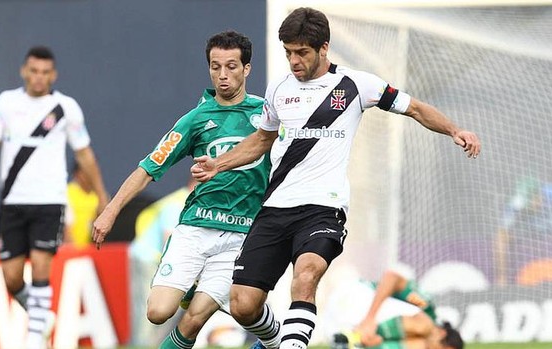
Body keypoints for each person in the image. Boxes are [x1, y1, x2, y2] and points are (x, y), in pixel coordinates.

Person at [191, 7, 481, 349]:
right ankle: (274, 341)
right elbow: (262, 140)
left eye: (302, 53)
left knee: (307, 276)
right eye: (288, 53)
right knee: (243, 304)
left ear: (323, 48)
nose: (294, 61)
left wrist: (454, 129)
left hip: (323, 208)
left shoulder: (358, 85)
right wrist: (219, 164)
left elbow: (415, 108)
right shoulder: (279, 89)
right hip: (276, 207)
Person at [91, 31, 271, 349]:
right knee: (158, 312)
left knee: (193, 321)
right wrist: (111, 209)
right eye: (216, 67)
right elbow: (149, 167)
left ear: (247, 69)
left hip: (239, 235)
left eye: (231, 66)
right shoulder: (194, 120)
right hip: (194, 229)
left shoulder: (267, 116)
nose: (223, 75)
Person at [0, 46, 109, 349]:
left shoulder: (65, 108)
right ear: (24, 71)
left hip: (49, 202)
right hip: (12, 203)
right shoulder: (7, 102)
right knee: (12, 278)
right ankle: (41, 316)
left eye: (45, 72)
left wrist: (102, 195)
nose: (39, 77)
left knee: (42, 266)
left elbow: (85, 155)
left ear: (52, 75)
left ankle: (34, 338)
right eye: (34, 71)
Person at [130, 177, 195, 346]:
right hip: (148, 259)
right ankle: (143, 346)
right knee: (147, 310)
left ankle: (154, 345)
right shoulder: (178, 202)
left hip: (162, 261)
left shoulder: (189, 202)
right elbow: (169, 239)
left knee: (167, 311)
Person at [327, 269, 463, 349]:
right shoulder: (426, 308)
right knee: (425, 325)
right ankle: (356, 337)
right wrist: (370, 319)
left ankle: (353, 341)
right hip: (353, 297)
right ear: (442, 333)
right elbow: (391, 277)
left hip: (336, 324)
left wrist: (375, 345)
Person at [65, 161, 100, 247]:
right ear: (77, 174)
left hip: (91, 251)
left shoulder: (98, 196)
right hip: (71, 251)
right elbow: (65, 229)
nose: (89, 176)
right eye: (86, 172)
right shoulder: (68, 193)